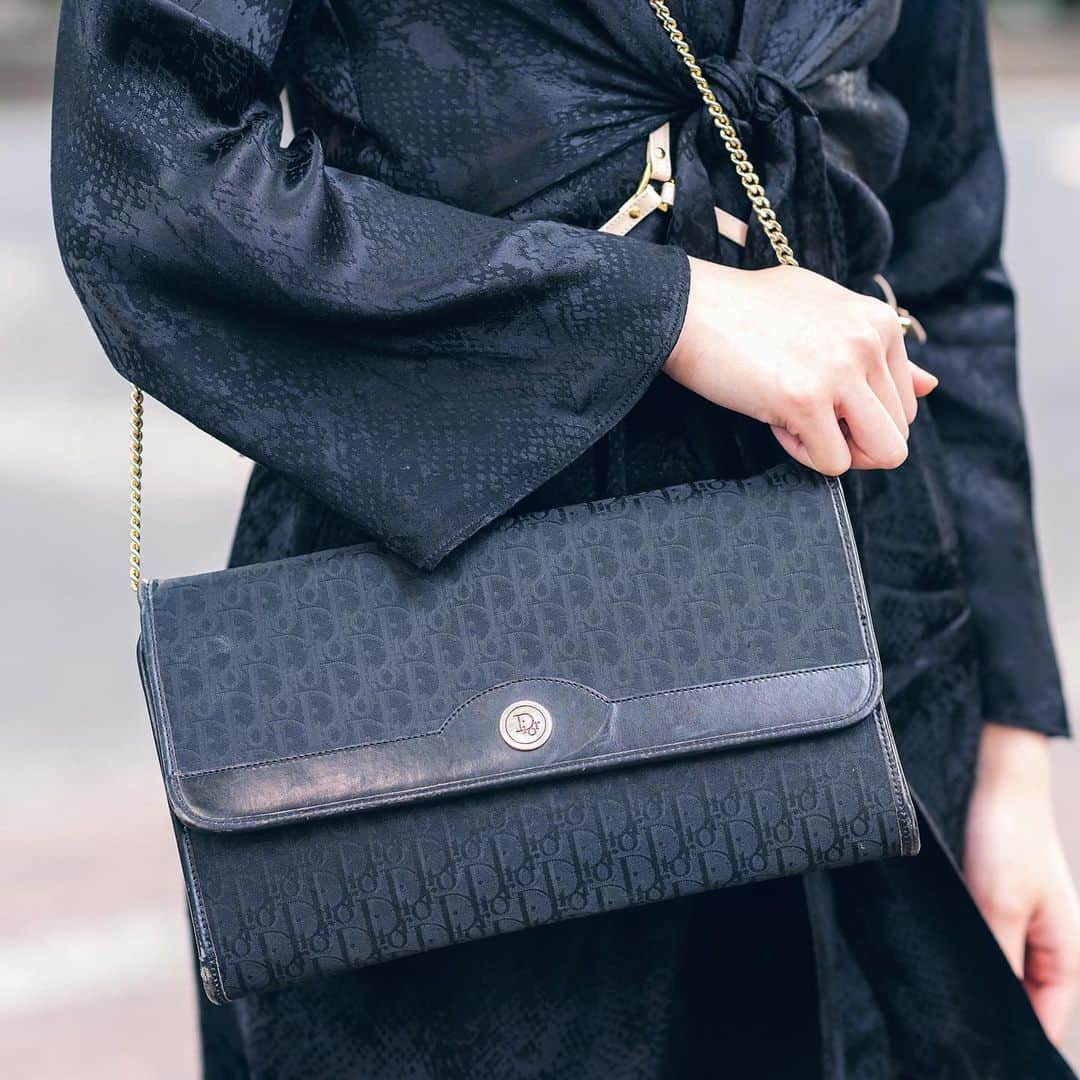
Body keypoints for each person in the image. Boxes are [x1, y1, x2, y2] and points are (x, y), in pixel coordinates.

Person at [51, 0, 1079, 1076]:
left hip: (874, 678)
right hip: (451, 702)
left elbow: (944, 250)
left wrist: (1011, 761)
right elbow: (150, 187)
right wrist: (664, 312)